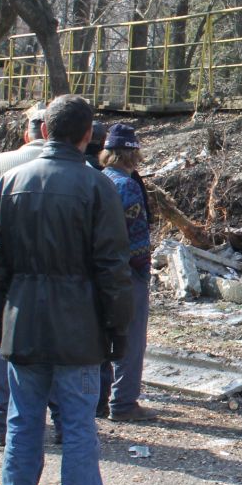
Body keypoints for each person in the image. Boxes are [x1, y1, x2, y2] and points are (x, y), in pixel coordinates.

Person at [0, 94, 134, 485]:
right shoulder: (97, 187)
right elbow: (113, 269)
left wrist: (6, 315)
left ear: (44, 130)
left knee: (22, 424)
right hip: (79, 327)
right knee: (79, 427)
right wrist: (117, 329)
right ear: (88, 136)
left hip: (23, 321)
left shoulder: (8, 182)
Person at [0, 106, 47, 446]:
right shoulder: (79, 169)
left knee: (2, 344)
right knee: (58, 351)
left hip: (6, 273)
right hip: (59, 276)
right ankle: (62, 422)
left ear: (28, 132)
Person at [98, 123, 156, 422]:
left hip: (98, 271)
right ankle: (123, 403)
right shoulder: (128, 186)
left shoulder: (98, 180)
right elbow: (137, 236)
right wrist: (144, 270)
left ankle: (99, 400)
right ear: (133, 154)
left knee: (100, 338)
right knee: (131, 338)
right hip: (127, 272)